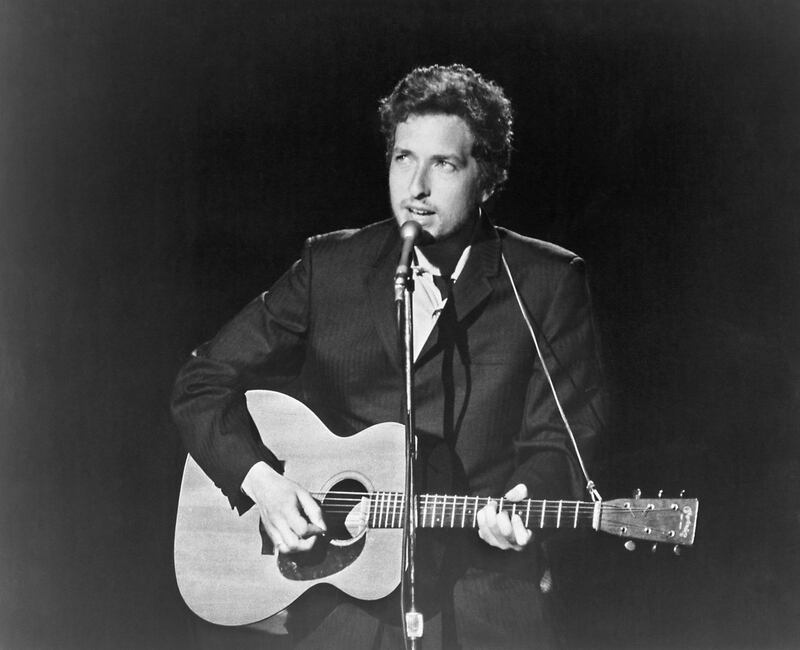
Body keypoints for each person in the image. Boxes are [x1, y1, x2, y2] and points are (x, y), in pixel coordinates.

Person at [171, 64, 605, 649]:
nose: (416, 187)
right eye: (403, 158)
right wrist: (263, 486)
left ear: (488, 179)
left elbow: (562, 440)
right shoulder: (332, 266)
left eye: (443, 164)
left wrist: (525, 497)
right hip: (339, 601)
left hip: (485, 598)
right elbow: (201, 382)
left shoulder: (546, 281)